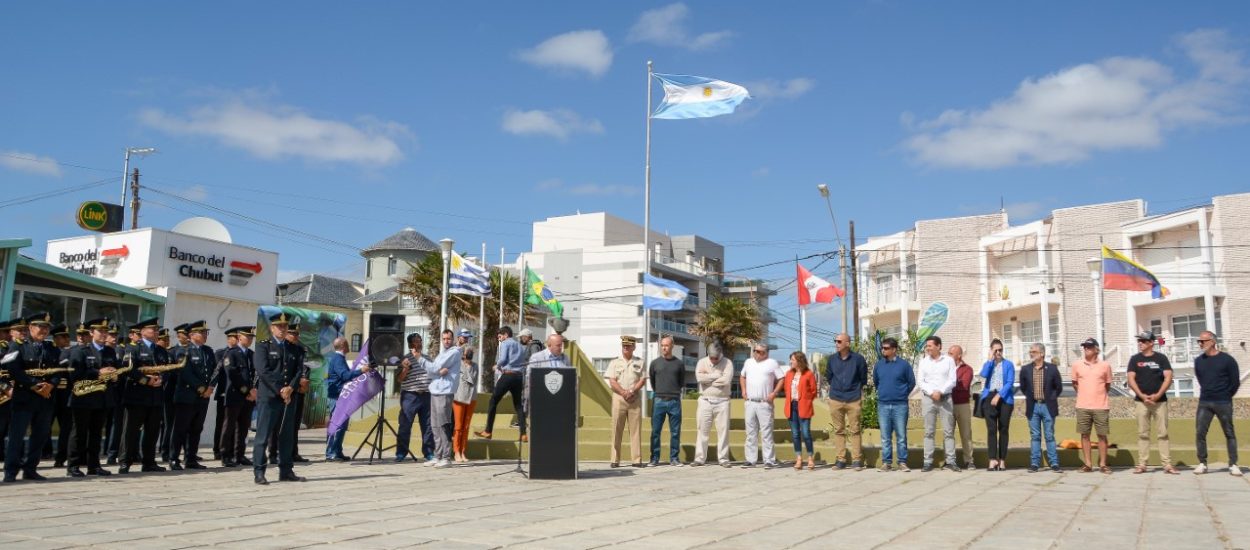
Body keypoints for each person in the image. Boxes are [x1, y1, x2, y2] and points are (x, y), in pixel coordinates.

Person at [3, 314, 65, 482]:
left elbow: (59, 370)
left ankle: (30, 469)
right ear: (30, 328)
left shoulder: (52, 348)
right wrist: (34, 385)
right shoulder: (18, 346)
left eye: (46, 327)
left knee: (40, 435)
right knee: (17, 436)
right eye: (39, 327)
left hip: (45, 398)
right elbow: (13, 369)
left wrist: (51, 385)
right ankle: (11, 471)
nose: (43, 330)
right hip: (24, 397)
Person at [251, 312, 305, 485]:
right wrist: (280, 389)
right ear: (272, 328)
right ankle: (259, 471)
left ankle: (286, 470)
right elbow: (263, 371)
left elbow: (298, 371)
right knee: (263, 436)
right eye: (279, 326)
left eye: (285, 326)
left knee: (287, 436)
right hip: (269, 397)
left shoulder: (294, 348)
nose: (282, 329)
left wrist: (290, 388)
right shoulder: (263, 346)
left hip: (288, 398)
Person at [65, 317, 118, 478]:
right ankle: (73, 465)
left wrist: (114, 376)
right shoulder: (81, 351)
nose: (103, 334)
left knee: (96, 434)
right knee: (79, 433)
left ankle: (94, 465)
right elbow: (74, 375)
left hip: (102, 398)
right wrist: (98, 373)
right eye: (100, 331)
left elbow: (114, 369)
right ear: (91, 333)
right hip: (83, 398)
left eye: (105, 331)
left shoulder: (109, 351)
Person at [119, 318, 168, 474]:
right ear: (142, 331)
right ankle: (125, 461)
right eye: (152, 329)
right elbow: (128, 369)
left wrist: (161, 379)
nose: (156, 331)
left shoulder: (160, 350)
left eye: (157, 329)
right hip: (137, 396)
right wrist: (146, 380)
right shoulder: (133, 349)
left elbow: (166, 369)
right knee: (131, 431)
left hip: (155, 397)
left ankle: (149, 461)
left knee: (152, 431)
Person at [1126, 331, 1176, 475]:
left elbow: (1168, 377)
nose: (1140, 343)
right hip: (1141, 402)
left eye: (1143, 341)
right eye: (1139, 341)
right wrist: (1142, 396)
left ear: (1151, 343)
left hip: (1160, 402)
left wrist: (1158, 395)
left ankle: (1167, 464)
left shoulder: (1161, 358)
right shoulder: (1134, 359)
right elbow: (1131, 379)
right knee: (1143, 434)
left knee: (1163, 433)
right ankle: (1142, 464)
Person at [1193, 331, 1241, 476]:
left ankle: (1233, 464)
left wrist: (1226, 395)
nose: (1201, 344)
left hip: (1223, 402)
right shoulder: (1199, 361)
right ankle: (1202, 463)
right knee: (1200, 432)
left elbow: (1235, 382)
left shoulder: (1227, 360)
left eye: (1203, 341)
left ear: (1213, 341)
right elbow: (1201, 379)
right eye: (1199, 341)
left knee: (1229, 433)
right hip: (1204, 402)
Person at [168, 321, 213, 471]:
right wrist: (200, 387)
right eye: (202, 332)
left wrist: (211, 386)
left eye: (206, 332)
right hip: (187, 395)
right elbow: (185, 372)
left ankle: (191, 458)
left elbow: (214, 371)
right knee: (180, 429)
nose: (205, 335)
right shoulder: (184, 351)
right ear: (192, 335)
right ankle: (174, 458)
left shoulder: (208, 351)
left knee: (196, 428)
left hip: (203, 397)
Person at [826, 333, 868, 471]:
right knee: (838, 430)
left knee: (855, 430)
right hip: (836, 398)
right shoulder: (832, 359)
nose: (836, 343)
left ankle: (857, 460)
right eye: (835, 341)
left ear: (847, 343)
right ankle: (841, 460)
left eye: (839, 341)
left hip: (853, 399)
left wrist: (856, 391)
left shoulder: (858, 359)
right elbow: (829, 377)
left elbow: (863, 378)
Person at [476, 326, 526, 442]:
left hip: (508, 375)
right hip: (518, 377)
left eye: (500, 337)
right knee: (518, 405)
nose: (500, 340)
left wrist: (497, 365)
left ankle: (488, 431)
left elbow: (503, 359)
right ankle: (523, 434)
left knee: (493, 401)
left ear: (505, 334)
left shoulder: (505, 343)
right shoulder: (519, 345)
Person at [917, 336, 959, 472]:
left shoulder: (949, 361)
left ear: (939, 346)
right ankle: (928, 462)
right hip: (929, 399)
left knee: (948, 431)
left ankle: (951, 461)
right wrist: (932, 392)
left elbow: (953, 380)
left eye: (930, 345)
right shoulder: (923, 362)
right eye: (927, 346)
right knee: (929, 431)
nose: (928, 348)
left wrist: (940, 391)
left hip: (945, 399)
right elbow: (920, 381)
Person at [741, 342, 785, 469]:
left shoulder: (772, 363)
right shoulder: (748, 362)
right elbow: (742, 376)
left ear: (766, 353)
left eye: (761, 352)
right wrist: (743, 390)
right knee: (750, 433)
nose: (757, 353)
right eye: (756, 351)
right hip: (750, 402)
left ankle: (769, 460)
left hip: (764, 403)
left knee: (766, 433)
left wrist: (774, 393)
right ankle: (750, 460)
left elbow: (781, 378)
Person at [874, 337, 915, 472]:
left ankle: (902, 462)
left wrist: (901, 394)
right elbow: (876, 382)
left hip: (900, 405)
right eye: (882, 348)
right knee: (885, 436)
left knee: (901, 436)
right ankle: (887, 463)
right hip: (883, 405)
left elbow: (911, 383)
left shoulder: (904, 365)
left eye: (886, 348)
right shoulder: (879, 365)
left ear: (894, 349)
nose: (883, 350)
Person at [1019, 343, 1062, 473]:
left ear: (1042, 354)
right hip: (1033, 407)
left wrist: (1051, 397)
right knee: (1035, 436)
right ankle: (1034, 463)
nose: (1031, 354)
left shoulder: (1052, 368)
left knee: (1049, 435)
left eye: (1034, 351)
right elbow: (1023, 387)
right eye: (1030, 352)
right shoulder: (1026, 369)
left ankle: (1054, 463)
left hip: (1047, 406)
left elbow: (1058, 387)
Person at [1072, 338, 1112, 474]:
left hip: (1101, 406)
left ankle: (1103, 464)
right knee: (1085, 435)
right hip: (1083, 406)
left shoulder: (1105, 365)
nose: (1086, 349)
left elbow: (1107, 385)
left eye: (1089, 347)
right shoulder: (1077, 365)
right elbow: (1075, 384)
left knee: (1102, 435)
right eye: (1084, 347)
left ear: (1096, 349)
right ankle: (1088, 464)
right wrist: (1084, 395)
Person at [325, 337, 369, 461]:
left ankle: (337, 451)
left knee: (342, 425)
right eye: (348, 343)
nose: (349, 345)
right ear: (343, 345)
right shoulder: (338, 359)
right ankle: (331, 453)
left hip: (341, 396)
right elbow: (345, 375)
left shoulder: (339, 358)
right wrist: (361, 370)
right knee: (337, 425)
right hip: (337, 396)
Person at [219, 327, 256, 468]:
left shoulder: (251, 354)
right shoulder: (232, 353)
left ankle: (239, 454)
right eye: (248, 336)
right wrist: (247, 391)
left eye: (252, 337)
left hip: (249, 397)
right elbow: (232, 373)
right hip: (235, 395)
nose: (250, 339)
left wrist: (254, 391)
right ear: (240, 337)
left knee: (243, 428)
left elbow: (256, 374)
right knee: (229, 426)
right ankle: (225, 455)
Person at [692, 342, 733, 468]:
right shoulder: (702, 362)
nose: (714, 360)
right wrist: (716, 376)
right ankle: (699, 458)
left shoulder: (728, 363)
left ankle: (723, 458)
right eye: (711, 357)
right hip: (705, 400)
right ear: (708, 354)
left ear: (720, 354)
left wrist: (708, 380)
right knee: (702, 430)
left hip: (723, 401)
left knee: (723, 431)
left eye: (716, 357)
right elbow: (699, 378)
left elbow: (726, 380)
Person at [607, 335, 647, 468]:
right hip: (619, 398)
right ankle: (614, 459)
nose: (626, 347)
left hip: (634, 399)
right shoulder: (614, 362)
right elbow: (612, 381)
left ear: (634, 347)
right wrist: (624, 392)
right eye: (624, 345)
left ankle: (636, 459)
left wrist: (632, 391)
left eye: (628, 345)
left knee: (635, 431)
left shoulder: (640, 362)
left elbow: (642, 379)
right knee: (616, 429)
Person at [426, 329, 461, 468]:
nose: (446, 341)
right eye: (444, 339)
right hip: (435, 391)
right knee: (434, 425)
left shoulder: (454, 352)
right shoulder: (442, 354)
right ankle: (437, 455)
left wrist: (435, 370)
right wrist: (436, 372)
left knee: (443, 424)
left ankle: (446, 457)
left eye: (448, 339)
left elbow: (435, 369)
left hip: (445, 393)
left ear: (452, 339)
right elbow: (433, 371)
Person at [396, 333, 434, 462]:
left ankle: (429, 452)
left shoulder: (428, 358)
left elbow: (434, 374)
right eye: (415, 341)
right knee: (405, 425)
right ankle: (401, 453)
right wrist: (405, 369)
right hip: (410, 395)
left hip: (427, 395)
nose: (418, 343)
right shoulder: (404, 359)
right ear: (410, 344)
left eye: (420, 341)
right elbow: (399, 379)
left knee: (428, 426)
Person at [979, 339, 1015, 471]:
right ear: (991, 350)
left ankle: (1002, 460)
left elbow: (1010, 382)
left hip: (1004, 398)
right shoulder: (989, 364)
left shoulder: (1008, 364)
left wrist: (999, 396)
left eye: (1000, 350)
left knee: (1003, 429)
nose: (998, 352)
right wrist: (990, 360)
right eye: (996, 350)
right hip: (989, 397)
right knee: (992, 430)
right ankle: (992, 459)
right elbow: (983, 375)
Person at [649, 335, 685, 467]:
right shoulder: (654, 363)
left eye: (667, 345)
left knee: (675, 432)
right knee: (655, 431)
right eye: (662, 345)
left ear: (672, 346)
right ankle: (654, 458)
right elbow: (653, 382)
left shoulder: (679, 364)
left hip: (674, 401)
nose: (664, 347)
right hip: (659, 400)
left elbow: (681, 382)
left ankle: (674, 458)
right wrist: (660, 392)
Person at [784, 351, 818, 471]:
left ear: (799, 361)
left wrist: (806, 401)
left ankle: (810, 458)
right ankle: (798, 458)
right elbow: (786, 389)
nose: (790, 362)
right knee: (795, 434)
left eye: (792, 360)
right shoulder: (788, 374)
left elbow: (814, 391)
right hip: (791, 406)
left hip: (804, 406)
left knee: (806, 433)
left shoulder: (808, 374)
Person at [211, 328, 239, 462]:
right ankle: (218, 449)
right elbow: (218, 372)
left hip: (237, 394)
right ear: (229, 339)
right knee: (221, 423)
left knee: (234, 424)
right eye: (234, 337)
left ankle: (231, 450)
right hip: (224, 392)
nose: (236, 340)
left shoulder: (241, 354)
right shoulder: (220, 353)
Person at [48, 324, 73, 468]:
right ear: (56, 338)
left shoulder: (71, 352)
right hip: (51, 392)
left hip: (66, 394)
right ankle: (46, 452)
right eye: (63, 337)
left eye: (67, 337)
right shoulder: (51, 351)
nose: (66, 339)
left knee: (66, 428)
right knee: (46, 427)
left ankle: (61, 457)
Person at [949, 345, 975, 470]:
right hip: (947, 404)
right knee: (948, 434)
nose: (948, 355)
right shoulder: (945, 368)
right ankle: (949, 460)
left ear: (959, 355)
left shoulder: (967, 369)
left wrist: (948, 385)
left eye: (951, 353)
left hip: (962, 404)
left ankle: (969, 460)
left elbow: (963, 385)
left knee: (966, 434)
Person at [452, 346, 478, 463]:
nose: (470, 353)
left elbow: (473, 379)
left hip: (471, 398)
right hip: (459, 398)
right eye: (467, 351)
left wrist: (468, 365)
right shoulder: (457, 365)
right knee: (458, 426)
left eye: (471, 351)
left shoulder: (475, 366)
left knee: (466, 426)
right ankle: (456, 451)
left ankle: (463, 451)